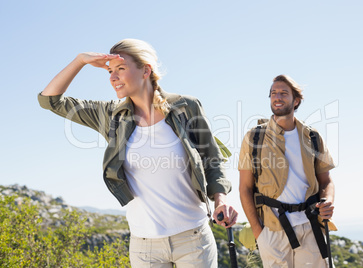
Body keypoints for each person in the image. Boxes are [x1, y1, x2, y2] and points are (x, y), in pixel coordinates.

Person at [38, 38, 238, 267]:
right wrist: (80, 60)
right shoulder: (111, 115)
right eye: (110, 71)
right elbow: (50, 100)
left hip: (193, 239)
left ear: (145, 70)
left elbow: (211, 159)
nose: (113, 77)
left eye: (120, 69)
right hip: (145, 246)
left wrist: (221, 199)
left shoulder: (186, 107)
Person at [238, 74, 336, 267]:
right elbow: (245, 188)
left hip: (311, 227)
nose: (277, 97)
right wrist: (260, 233)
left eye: (284, 93)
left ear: (296, 100)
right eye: (273, 93)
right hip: (272, 232)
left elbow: (327, 181)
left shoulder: (313, 137)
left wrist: (329, 201)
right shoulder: (254, 138)